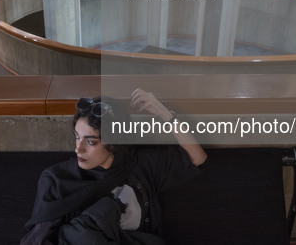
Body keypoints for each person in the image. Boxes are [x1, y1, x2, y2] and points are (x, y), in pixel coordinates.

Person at [21, 89, 207, 244]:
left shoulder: (140, 165)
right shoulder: (57, 179)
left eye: (91, 142)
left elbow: (197, 158)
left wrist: (165, 114)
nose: (78, 149)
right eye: (77, 136)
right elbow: (40, 238)